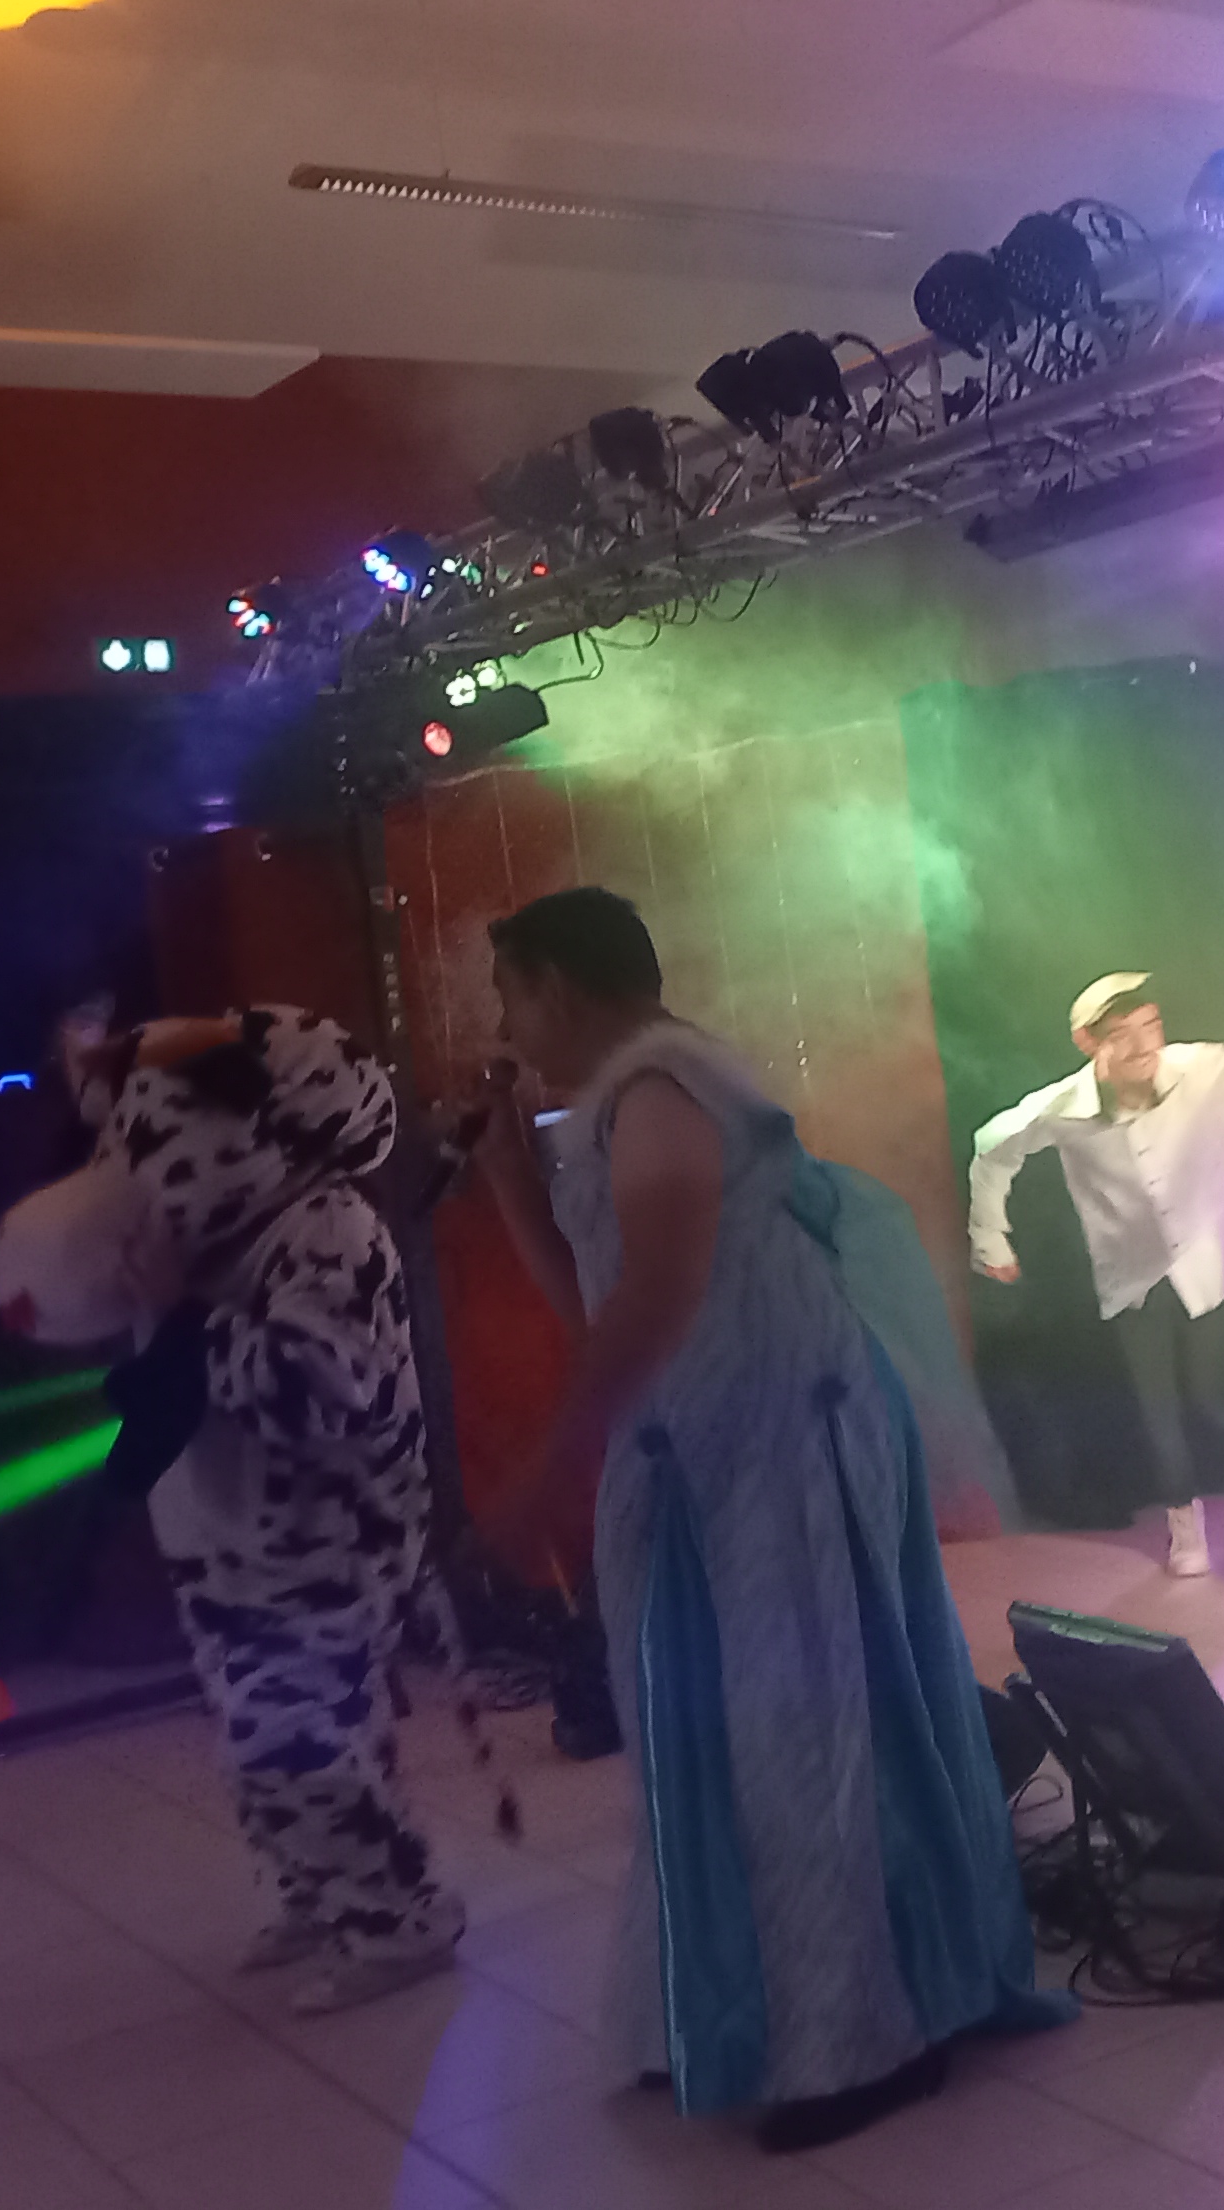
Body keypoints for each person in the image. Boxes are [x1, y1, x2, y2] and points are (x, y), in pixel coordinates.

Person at [469, 886, 1064, 2150]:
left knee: (801, 1745)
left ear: (558, 986)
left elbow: (658, 1299)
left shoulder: (664, 1091)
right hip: (700, 1454)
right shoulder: (629, 1097)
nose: (505, 1026)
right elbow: (602, 1305)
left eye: (509, 995)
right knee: (698, 1743)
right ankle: (715, 2013)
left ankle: (863, 2043)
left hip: (778, 1449)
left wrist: (542, 1472)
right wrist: (511, 1182)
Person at [93, 1007, 465, 2014]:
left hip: (325, 1536)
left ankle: (398, 1915)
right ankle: (320, 1888)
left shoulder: (327, 1228)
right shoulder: (224, 1232)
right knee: (260, 1732)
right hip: (227, 1539)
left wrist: (184, 1317)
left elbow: (317, 1385)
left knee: (297, 1732)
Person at [966, 972, 1224, 1572]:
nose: (1145, 1046)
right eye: (1123, 1034)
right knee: (1154, 1407)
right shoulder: (1063, 1108)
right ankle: (1184, 1527)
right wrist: (991, 1238)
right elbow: (991, 1149)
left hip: (1207, 1256)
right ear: (1089, 1043)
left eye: (1151, 1027)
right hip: (1131, 1272)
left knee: (1213, 1395)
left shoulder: (1203, 1070)